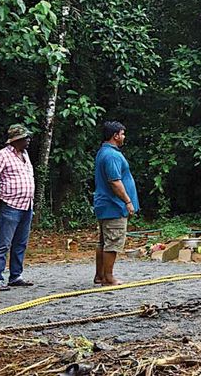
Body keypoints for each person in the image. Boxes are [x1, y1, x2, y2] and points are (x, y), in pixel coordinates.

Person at [0, 124, 36, 291]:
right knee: (3, 243)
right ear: (16, 140)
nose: (28, 140)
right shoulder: (2, 156)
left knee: (20, 243)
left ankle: (16, 275)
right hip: (10, 205)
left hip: (26, 205)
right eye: (25, 138)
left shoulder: (25, 154)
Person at [93, 121, 139, 286]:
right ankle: (108, 277)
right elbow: (115, 182)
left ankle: (100, 275)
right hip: (113, 205)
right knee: (113, 242)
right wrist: (127, 201)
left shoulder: (104, 152)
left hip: (105, 204)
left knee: (104, 242)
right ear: (115, 135)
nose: (124, 136)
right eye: (122, 133)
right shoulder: (111, 155)